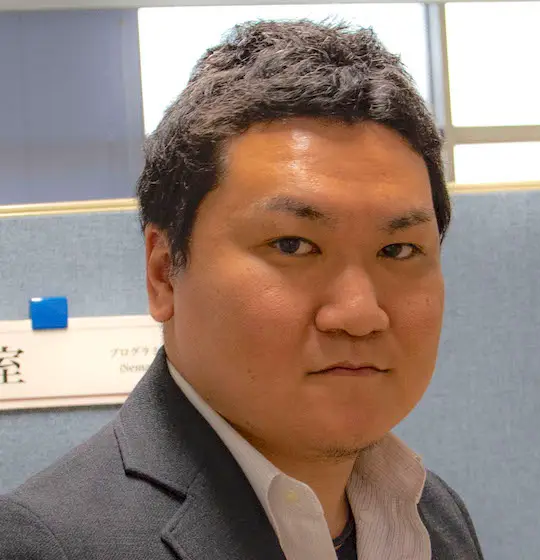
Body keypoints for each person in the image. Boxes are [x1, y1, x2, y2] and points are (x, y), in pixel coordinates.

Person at [0, 20, 484, 560]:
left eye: (398, 250)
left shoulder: (436, 518)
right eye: (293, 245)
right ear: (164, 272)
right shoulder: (50, 544)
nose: (359, 313)